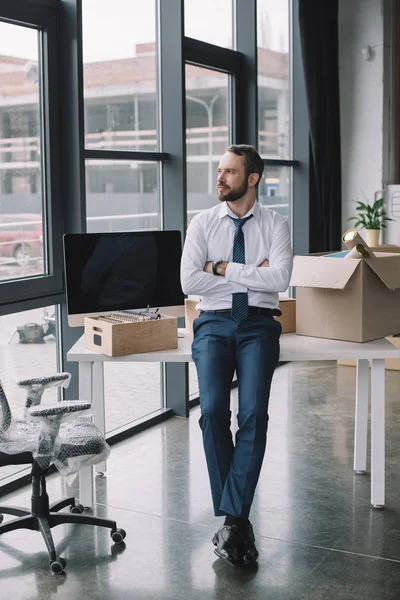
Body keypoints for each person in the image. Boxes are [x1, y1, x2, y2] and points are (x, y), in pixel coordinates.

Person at [180, 144, 293, 567]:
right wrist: (251, 275)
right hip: (213, 324)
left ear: (252, 178)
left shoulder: (276, 223)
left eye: (229, 172)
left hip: (259, 324)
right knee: (211, 412)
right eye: (219, 171)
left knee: (253, 415)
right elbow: (189, 280)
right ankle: (237, 520)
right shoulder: (203, 222)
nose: (220, 178)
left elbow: (280, 278)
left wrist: (223, 268)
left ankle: (231, 518)